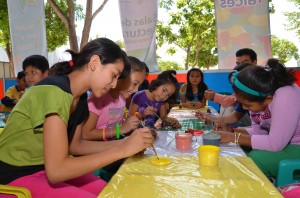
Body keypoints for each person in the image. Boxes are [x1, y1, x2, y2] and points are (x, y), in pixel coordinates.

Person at [0, 38, 154, 197]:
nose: (114, 84)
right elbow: (57, 171)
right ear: (94, 63)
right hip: (14, 174)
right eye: (113, 75)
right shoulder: (55, 92)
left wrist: (125, 142)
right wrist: (122, 149)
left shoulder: (79, 99)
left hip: (42, 167)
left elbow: (76, 146)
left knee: (111, 192)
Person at [214, 59, 300, 179]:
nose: (244, 108)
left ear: (268, 99)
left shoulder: (285, 95)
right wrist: (231, 131)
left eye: (248, 105)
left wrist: (232, 137)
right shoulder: (260, 93)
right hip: (284, 143)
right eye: (241, 103)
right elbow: (260, 130)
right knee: (237, 150)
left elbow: (275, 144)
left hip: (296, 146)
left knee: (256, 159)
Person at [82, 56, 146, 141]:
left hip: (112, 145)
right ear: (120, 77)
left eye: (139, 86)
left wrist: (128, 127)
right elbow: (86, 134)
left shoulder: (122, 98)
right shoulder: (97, 98)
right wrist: (122, 129)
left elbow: (115, 127)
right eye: (135, 84)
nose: (136, 90)